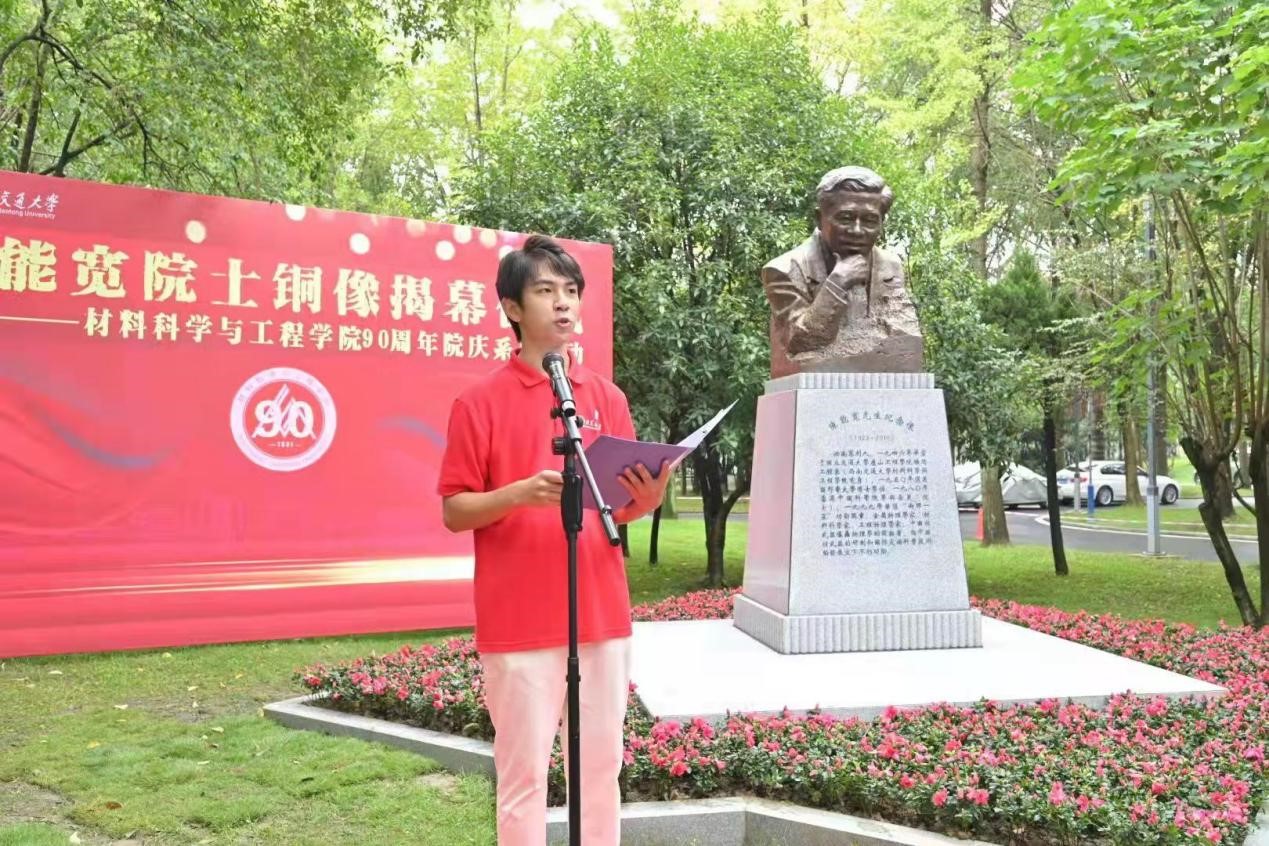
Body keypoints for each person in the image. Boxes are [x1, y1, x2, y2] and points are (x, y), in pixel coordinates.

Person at [437, 234, 670, 845]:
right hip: (519, 621)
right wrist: (518, 494)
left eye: (571, 290)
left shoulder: (604, 397)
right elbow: (455, 510)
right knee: (524, 778)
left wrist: (647, 499)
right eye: (545, 291)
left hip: (600, 614)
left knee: (601, 770)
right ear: (513, 308)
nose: (563, 303)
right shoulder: (478, 402)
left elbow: (620, 504)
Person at [761, 165, 924, 378]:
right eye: (845, 218)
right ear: (819, 218)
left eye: (869, 220)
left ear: (881, 222)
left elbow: (905, 338)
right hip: (816, 384)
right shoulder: (784, 270)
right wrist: (837, 283)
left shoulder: (891, 266)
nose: (857, 230)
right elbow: (800, 342)